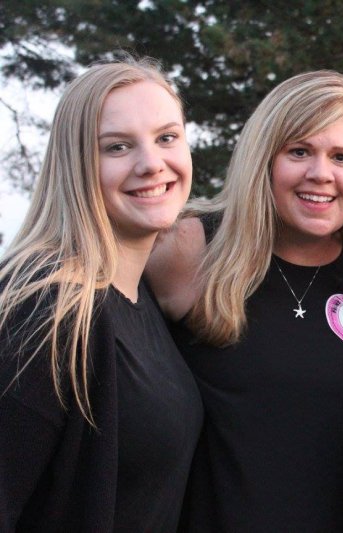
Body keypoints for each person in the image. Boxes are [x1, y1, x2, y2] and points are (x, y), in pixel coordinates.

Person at [146, 70, 343, 531]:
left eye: (342, 157)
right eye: (299, 151)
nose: (320, 174)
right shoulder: (189, 250)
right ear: (264, 158)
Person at [0, 57, 201, 531]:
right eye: (117, 147)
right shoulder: (45, 305)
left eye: (167, 138)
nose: (151, 164)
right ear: (76, 165)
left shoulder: (141, 296)